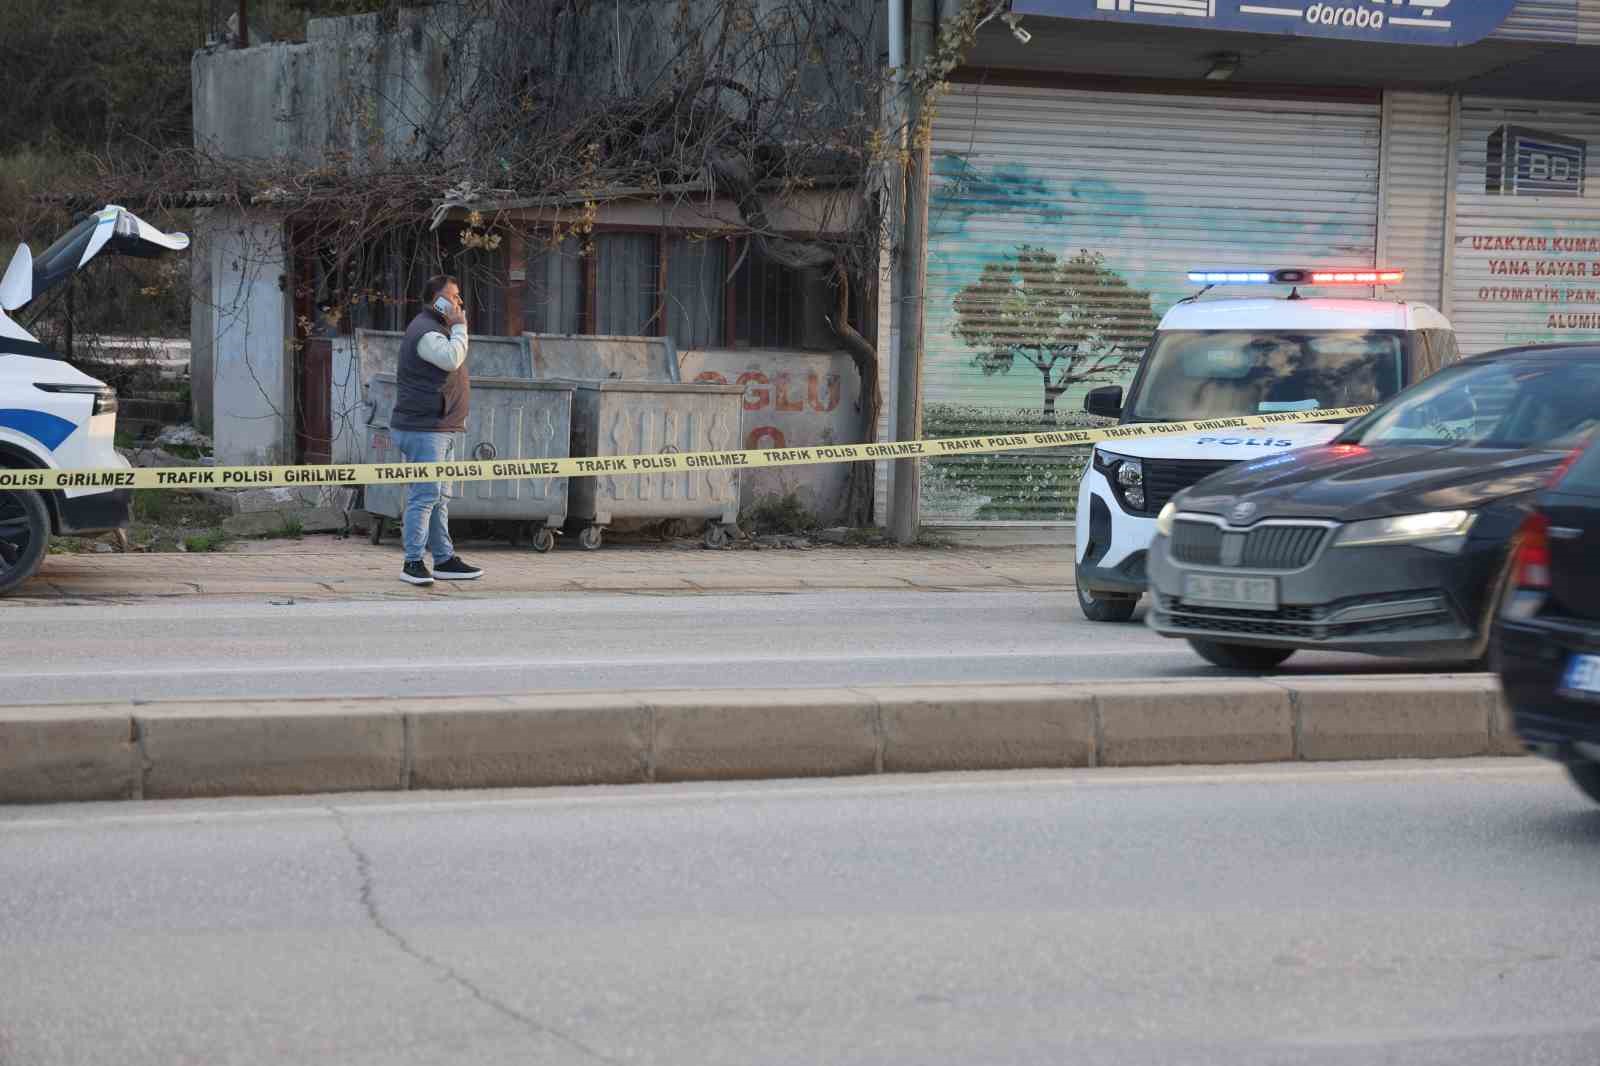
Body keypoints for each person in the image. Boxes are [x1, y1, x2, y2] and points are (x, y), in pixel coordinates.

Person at [388, 275, 484, 586]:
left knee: (440, 497)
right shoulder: (427, 332)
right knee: (425, 495)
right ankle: (413, 562)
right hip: (424, 428)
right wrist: (460, 327)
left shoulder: (437, 328)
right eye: (453, 297)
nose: (459, 303)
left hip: (440, 426)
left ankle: (443, 559)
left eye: (459, 297)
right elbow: (452, 359)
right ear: (436, 300)